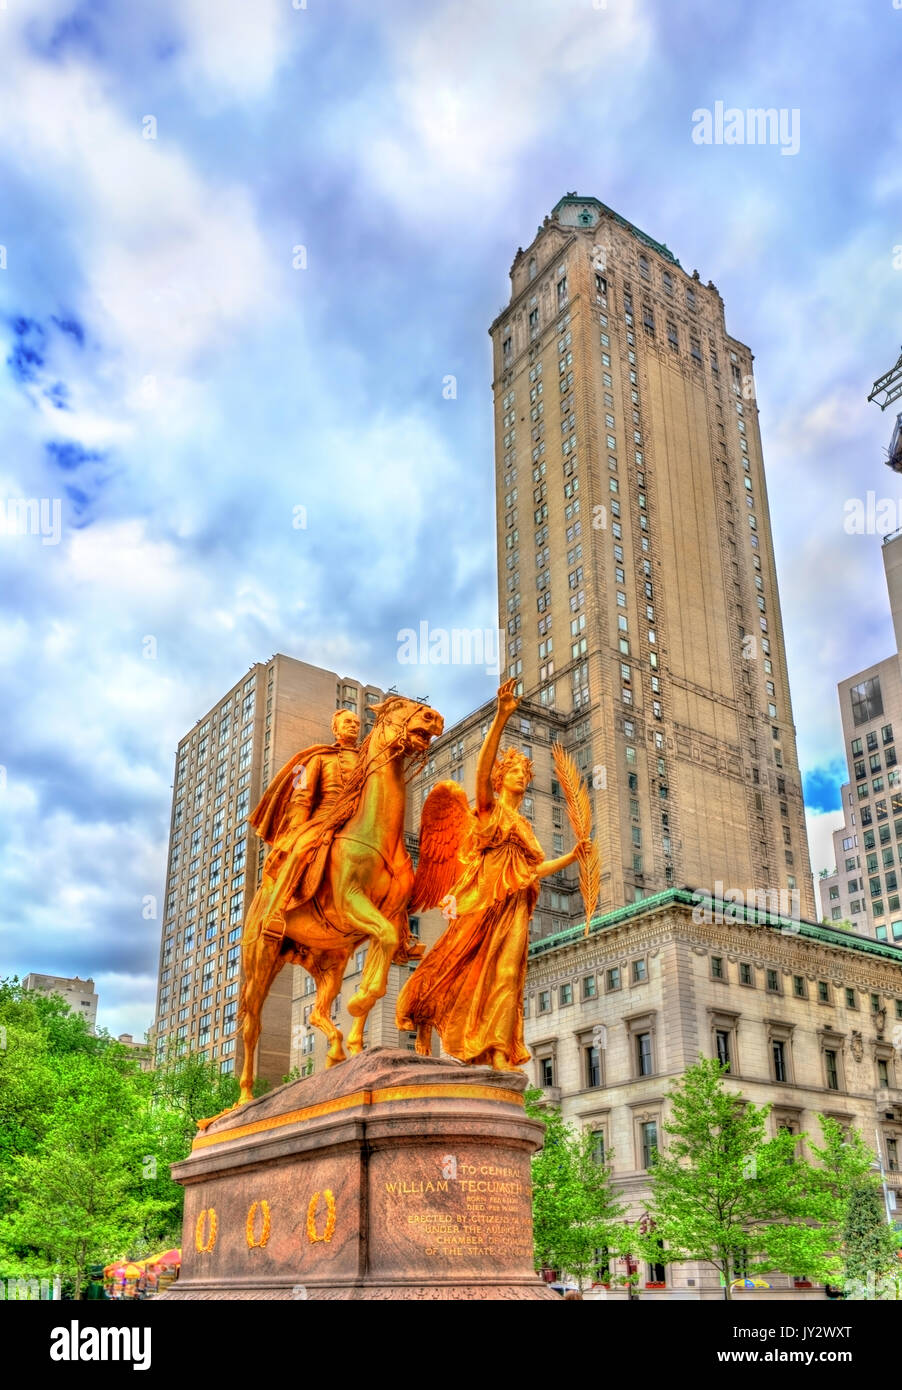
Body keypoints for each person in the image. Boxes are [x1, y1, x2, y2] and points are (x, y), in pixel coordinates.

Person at [397, 679, 589, 1069]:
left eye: (524, 772)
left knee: (508, 976)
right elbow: (481, 772)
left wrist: (571, 856)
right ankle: (424, 1015)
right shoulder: (489, 809)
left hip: (514, 908)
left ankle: (499, 1051)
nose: (521, 776)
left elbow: (534, 870)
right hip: (482, 906)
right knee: (451, 966)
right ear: (502, 779)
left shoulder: (525, 827)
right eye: (514, 770)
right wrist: (501, 716)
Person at [248, 709, 361, 945]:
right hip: (324, 818)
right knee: (301, 850)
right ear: (336, 728)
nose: (353, 725)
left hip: (358, 820)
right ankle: (276, 910)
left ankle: (402, 932)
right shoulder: (318, 758)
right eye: (347, 722)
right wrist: (296, 829)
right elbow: (302, 795)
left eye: (357, 723)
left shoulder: (368, 760)